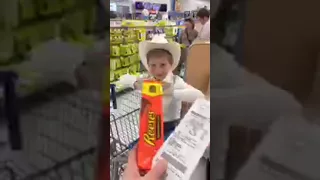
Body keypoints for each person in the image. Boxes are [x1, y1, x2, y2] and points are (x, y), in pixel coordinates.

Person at [118, 34, 204, 140]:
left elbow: (199, 95)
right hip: (149, 126)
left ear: (171, 64)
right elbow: (123, 79)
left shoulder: (176, 82)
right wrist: (135, 84)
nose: (158, 71)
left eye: (163, 65)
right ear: (148, 66)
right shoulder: (148, 80)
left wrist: (172, 93)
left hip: (169, 127)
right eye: (153, 65)